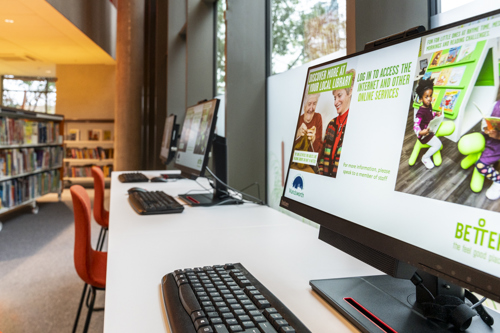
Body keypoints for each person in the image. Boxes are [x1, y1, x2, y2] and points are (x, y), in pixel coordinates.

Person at [317, 69, 356, 177]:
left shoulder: (354, 122)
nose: (335, 102)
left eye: (339, 95)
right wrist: (321, 173)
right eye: (334, 97)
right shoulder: (332, 124)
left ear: (350, 91)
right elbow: (322, 157)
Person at [414, 77, 442, 169]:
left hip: (429, 130)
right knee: (438, 144)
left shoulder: (429, 105)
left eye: (430, 95)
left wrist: (435, 114)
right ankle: (425, 157)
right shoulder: (420, 112)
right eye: (426, 97)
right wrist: (420, 132)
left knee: (438, 142)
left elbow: (430, 114)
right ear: (421, 99)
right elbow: (416, 125)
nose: (429, 99)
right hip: (424, 135)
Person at [475, 97, 500, 200]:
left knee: (481, 165)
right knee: (480, 165)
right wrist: (487, 129)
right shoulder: (495, 105)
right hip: (491, 142)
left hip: (497, 142)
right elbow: (484, 124)